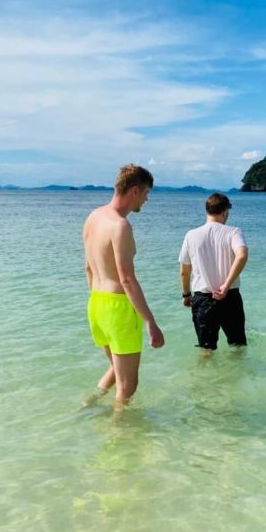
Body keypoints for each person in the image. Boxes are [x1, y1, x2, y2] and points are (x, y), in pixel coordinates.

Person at [81, 164, 165, 409]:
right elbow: (127, 279)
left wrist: (100, 304)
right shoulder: (120, 226)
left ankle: (88, 405)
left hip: (96, 304)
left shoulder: (93, 217)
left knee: (116, 370)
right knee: (127, 387)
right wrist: (150, 322)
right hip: (118, 308)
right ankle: (118, 437)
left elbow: (88, 268)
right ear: (135, 191)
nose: (147, 199)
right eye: (147, 193)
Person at [178, 192, 249, 351]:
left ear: (207, 211)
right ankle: (238, 376)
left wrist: (186, 295)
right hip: (230, 297)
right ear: (225, 211)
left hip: (203, 299)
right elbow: (242, 255)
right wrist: (225, 285)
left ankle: (205, 376)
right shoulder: (234, 232)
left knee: (206, 350)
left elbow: (184, 271)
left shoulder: (191, 235)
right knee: (238, 347)